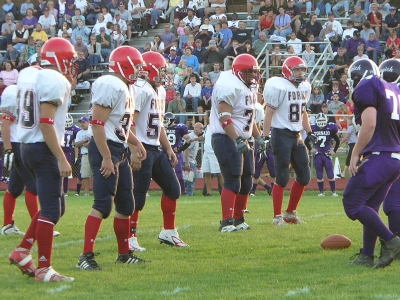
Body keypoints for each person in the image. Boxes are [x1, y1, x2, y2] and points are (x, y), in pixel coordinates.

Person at [8, 38, 76, 282]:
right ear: (58, 59)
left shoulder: (31, 75)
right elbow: (47, 123)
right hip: (43, 147)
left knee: (58, 207)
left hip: (29, 145)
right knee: (50, 209)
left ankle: (23, 250)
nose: (71, 66)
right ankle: (44, 269)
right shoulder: (53, 79)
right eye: (68, 60)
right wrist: (61, 158)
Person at [77, 46, 148, 271]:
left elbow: (119, 126)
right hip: (105, 149)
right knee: (103, 203)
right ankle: (85, 256)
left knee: (126, 203)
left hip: (119, 149)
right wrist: (107, 157)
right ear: (123, 64)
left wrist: (136, 142)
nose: (138, 72)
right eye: (135, 67)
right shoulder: (111, 84)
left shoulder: (126, 87)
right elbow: (97, 124)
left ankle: (124, 253)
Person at [343, 58, 400, 269]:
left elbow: (370, 124)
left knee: (352, 203)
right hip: (394, 158)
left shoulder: (366, 86)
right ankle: (367, 256)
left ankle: (391, 241)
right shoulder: (392, 89)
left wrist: (355, 153)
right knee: (370, 207)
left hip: (379, 155)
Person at [130, 51, 189, 251]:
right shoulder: (141, 89)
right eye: (161, 70)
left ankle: (168, 232)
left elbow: (159, 124)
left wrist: (168, 148)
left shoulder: (160, 91)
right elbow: (131, 122)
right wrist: (133, 148)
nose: (164, 75)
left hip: (155, 147)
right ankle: (130, 236)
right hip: (142, 147)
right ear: (150, 70)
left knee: (173, 188)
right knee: (138, 196)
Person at [210, 53, 264, 232]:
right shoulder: (229, 84)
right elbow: (224, 116)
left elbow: (249, 118)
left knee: (247, 179)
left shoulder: (248, 87)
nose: (254, 77)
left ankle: (239, 219)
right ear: (240, 73)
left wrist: (257, 136)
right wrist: (237, 139)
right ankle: (226, 222)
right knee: (233, 178)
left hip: (243, 138)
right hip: (226, 137)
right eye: (250, 73)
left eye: (255, 72)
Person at [263, 56, 313, 226]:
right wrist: (266, 136)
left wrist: (309, 132)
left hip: (296, 134)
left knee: (304, 176)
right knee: (282, 176)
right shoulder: (279, 86)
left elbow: (303, 111)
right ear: (288, 71)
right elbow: (268, 113)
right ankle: (277, 216)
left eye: (302, 70)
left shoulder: (304, 86)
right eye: (297, 70)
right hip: (281, 133)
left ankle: (290, 213)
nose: (300, 73)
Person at [0, 85, 38, 236]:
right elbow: (5, 124)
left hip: (24, 143)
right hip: (17, 144)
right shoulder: (14, 92)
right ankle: (37, 225)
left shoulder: (30, 92)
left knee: (15, 188)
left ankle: (7, 225)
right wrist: (8, 149)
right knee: (33, 186)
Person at [306, 113, 340, 197]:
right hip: (318, 154)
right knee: (319, 174)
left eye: (322, 120)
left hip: (327, 153)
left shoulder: (330, 128)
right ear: (316, 121)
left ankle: (333, 192)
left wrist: (334, 151)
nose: (321, 122)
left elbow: (337, 140)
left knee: (330, 174)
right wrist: (311, 149)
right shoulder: (313, 129)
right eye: (319, 120)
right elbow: (306, 141)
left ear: (326, 120)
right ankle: (321, 192)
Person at [164, 112, 192, 195]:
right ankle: (167, 190)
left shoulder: (179, 128)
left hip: (175, 154)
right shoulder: (162, 128)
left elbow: (189, 139)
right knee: (165, 173)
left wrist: (180, 149)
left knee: (178, 173)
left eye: (166, 120)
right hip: (163, 153)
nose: (164, 122)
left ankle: (182, 190)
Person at [201, 110, 223, 196]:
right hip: (206, 152)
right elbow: (203, 137)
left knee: (218, 173)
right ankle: (208, 192)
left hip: (213, 152)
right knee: (207, 172)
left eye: (206, 116)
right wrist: (193, 139)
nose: (205, 118)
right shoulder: (207, 127)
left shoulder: (216, 127)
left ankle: (223, 190)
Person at [62, 114, 81, 196]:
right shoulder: (59, 126)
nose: (66, 123)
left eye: (68, 121)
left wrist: (76, 156)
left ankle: (65, 191)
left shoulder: (74, 129)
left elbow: (81, 134)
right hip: (59, 149)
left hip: (68, 151)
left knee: (66, 172)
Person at [184, 122, 204, 196]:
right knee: (192, 177)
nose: (202, 130)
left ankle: (183, 189)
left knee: (189, 177)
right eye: (200, 128)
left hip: (191, 159)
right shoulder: (192, 137)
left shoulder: (195, 137)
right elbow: (186, 149)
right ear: (195, 128)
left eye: (202, 128)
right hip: (189, 160)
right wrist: (187, 162)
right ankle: (189, 193)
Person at [75, 116, 92, 196]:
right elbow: (76, 144)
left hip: (94, 153)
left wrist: (90, 144)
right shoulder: (79, 133)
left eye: (83, 122)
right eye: (81, 122)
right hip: (85, 154)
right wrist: (84, 141)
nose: (82, 124)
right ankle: (86, 193)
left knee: (97, 174)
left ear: (88, 122)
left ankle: (97, 192)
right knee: (85, 175)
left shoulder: (92, 130)